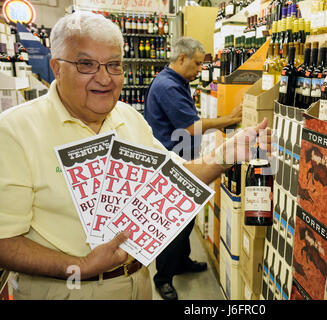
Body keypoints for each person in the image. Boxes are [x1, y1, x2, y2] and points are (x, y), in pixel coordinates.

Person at [0, 12, 270, 300]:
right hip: (66, 290)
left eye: (114, 65)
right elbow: (4, 241)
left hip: (137, 283)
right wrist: (81, 265)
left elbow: (175, 178)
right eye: (86, 64)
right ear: (56, 67)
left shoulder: (128, 118)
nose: (104, 78)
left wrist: (227, 154)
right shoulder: (15, 131)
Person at [144, 36, 242, 300]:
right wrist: (227, 120)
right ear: (181, 58)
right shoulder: (168, 87)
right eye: (198, 64)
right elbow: (189, 127)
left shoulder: (175, 81)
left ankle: (183, 261)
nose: (201, 69)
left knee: (186, 220)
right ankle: (162, 277)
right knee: (176, 224)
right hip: (173, 163)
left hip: (180, 157)